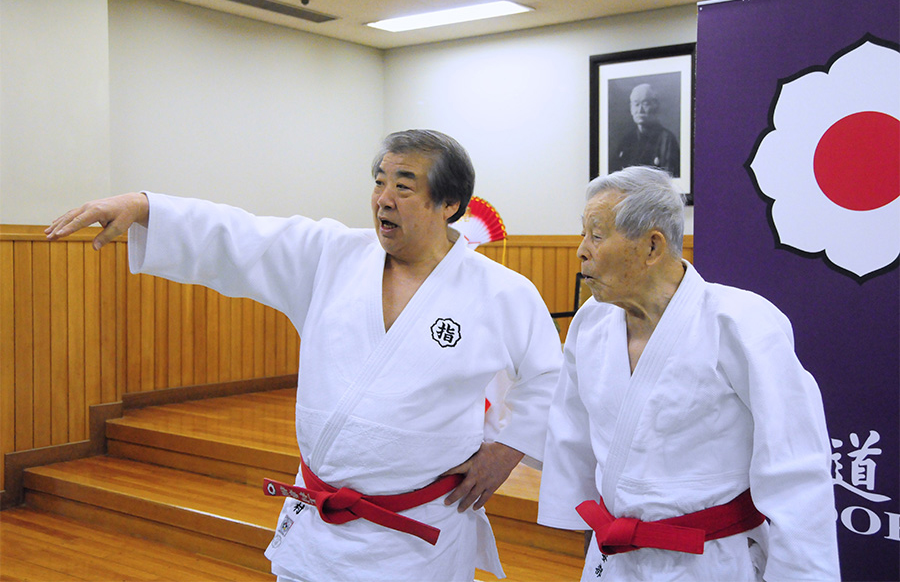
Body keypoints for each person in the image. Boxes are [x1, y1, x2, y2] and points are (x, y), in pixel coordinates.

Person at [46, 129, 562, 582]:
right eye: (378, 181)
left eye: (403, 186)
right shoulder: (332, 256)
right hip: (319, 523)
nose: (383, 198)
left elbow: (546, 375)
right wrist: (144, 207)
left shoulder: (501, 292)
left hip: (418, 534)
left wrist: (507, 447)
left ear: (450, 203)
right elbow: (243, 237)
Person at [536, 166, 840, 581]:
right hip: (614, 557)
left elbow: (796, 467)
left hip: (710, 559)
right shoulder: (591, 322)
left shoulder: (740, 323)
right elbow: (571, 430)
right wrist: (580, 523)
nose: (581, 250)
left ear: (652, 246)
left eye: (596, 234)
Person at [609, 84, 680, 177]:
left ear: (655, 106)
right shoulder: (626, 141)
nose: (640, 110)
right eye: (636, 104)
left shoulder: (666, 139)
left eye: (645, 104)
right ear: (631, 109)